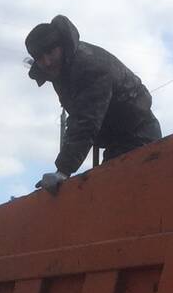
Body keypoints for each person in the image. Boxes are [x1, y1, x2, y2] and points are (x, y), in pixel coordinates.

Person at [24, 14, 161, 193]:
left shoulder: (89, 67)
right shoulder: (62, 71)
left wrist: (63, 170)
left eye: (50, 52)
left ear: (61, 46)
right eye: (40, 58)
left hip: (139, 135)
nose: (47, 62)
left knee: (124, 195)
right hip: (116, 141)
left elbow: (85, 120)